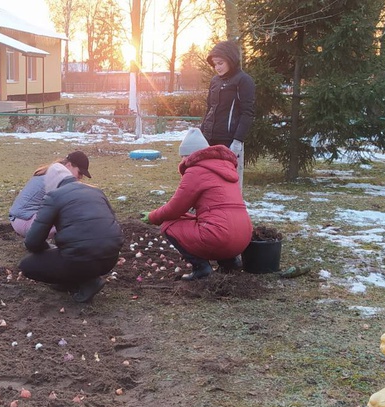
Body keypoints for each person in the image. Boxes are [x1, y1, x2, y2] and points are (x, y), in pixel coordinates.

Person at [141, 128, 252, 281]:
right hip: (243, 237)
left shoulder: (196, 171)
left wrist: (153, 216)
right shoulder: (225, 168)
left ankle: (201, 268)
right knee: (208, 219)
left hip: (221, 238)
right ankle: (230, 262)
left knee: (169, 224)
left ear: (189, 156)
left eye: (182, 157)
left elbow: (175, 209)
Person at [19, 163, 123, 302]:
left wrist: (47, 250)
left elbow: (32, 242)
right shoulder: (96, 191)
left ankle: (87, 282)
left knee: (27, 266)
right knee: (71, 254)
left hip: (80, 260)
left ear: (51, 183)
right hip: (110, 258)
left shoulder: (54, 197)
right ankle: (73, 280)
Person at [200, 40, 255, 190]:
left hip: (228, 140)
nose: (217, 67)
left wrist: (237, 141)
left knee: (228, 182)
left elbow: (247, 113)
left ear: (230, 60)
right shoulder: (215, 81)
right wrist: (201, 132)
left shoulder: (243, 80)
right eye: (214, 64)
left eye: (220, 63)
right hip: (208, 137)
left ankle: (229, 211)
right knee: (206, 177)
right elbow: (210, 108)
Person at [8, 151, 92, 238]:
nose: (81, 177)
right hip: (25, 221)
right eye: (80, 173)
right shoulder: (56, 180)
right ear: (69, 165)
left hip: (19, 220)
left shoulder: (52, 173)